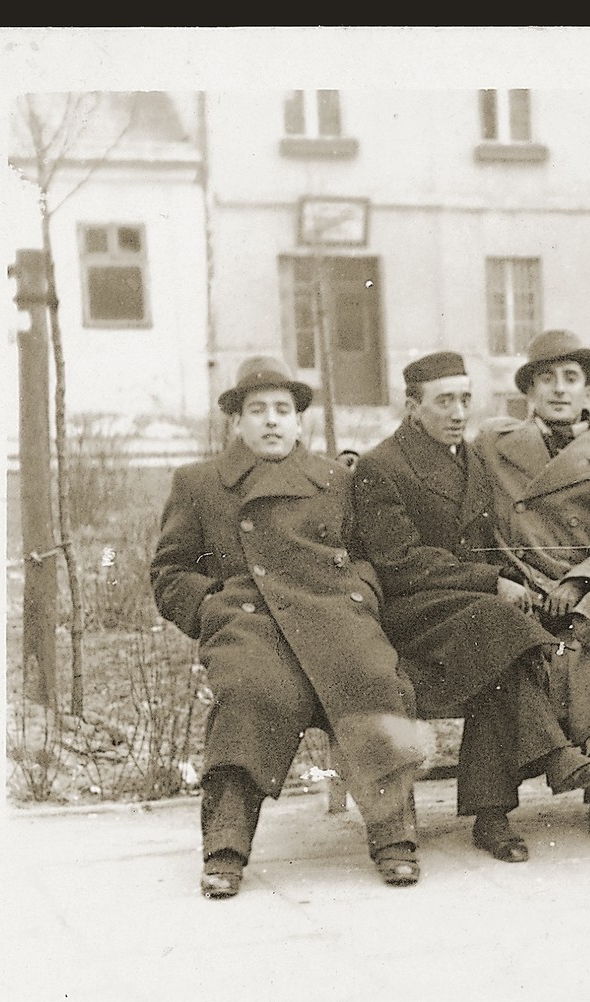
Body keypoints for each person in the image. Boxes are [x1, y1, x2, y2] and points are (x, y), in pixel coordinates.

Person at [150, 356, 436, 898]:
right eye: (257, 411)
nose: (272, 421)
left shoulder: (333, 479)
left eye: (283, 409)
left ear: (299, 420)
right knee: (250, 693)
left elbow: (362, 552)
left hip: (333, 616)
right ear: (236, 422)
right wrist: (212, 608)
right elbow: (168, 573)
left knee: (374, 680)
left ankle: (395, 839)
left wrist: (361, 595)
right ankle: (226, 849)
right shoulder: (200, 483)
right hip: (250, 623)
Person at [350, 350, 590, 866]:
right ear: (412, 406)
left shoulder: (470, 455)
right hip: (412, 612)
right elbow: (399, 559)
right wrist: (491, 582)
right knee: (501, 626)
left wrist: (508, 579)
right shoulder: (382, 466)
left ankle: (492, 819)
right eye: (443, 401)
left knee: (501, 651)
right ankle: (556, 757)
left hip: (469, 613)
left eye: (465, 400)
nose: (457, 412)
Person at [470, 329, 590, 847]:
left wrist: (581, 581)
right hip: (518, 585)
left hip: (588, 587)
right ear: (528, 392)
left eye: (571, 379)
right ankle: (492, 811)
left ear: (587, 391)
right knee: (503, 641)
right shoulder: (493, 444)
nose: (559, 389)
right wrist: (506, 580)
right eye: (547, 379)